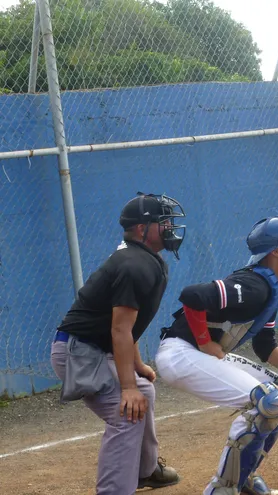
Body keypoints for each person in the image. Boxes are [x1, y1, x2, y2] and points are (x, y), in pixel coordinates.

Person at [155, 215, 278, 495]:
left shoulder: (274, 285)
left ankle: (244, 479)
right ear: (277, 250)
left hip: (199, 354)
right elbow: (192, 295)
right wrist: (206, 342)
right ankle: (222, 488)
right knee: (269, 400)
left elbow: (265, 345)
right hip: (180, 354)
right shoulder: (254, 286)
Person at [50, 192, 186, 494]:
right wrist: (127, 386)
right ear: (141, 229)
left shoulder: (145, 259)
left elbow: (128, 327)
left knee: (144, 391)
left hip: (95, 350)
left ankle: (144, 470)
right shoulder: (134, 265)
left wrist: (136, 367)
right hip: (79, 353)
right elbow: (120, 329)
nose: (169, 227)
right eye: (162, 222)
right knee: (127, 412)